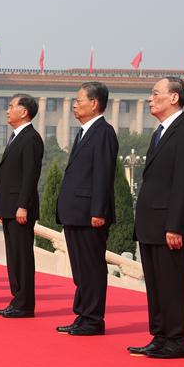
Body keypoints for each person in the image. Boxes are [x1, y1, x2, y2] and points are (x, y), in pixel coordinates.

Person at [129, 77, 184, 359]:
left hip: (171, 226)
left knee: (173, 283)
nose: (150, 98)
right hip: (151, 223)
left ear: (174, 98)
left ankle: (179, 340)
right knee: (157, 283)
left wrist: (175, 225)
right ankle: (160, 336)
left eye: (155, 93)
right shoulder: (159, 132)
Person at [55, 82, 118, 335]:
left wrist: (98, 211)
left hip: (90, 214)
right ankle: (82, 315)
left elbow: (103, 175)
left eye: (79, 100)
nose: (74, 105)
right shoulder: (83, 132)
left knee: (91, 267)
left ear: (94, 103)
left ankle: (93, 319)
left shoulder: (103, 132)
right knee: (81, 268)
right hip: (75, 212)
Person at [0, 93, 44, 318]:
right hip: (10, 206)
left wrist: (22, 205)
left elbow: (30, 176)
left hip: (20, 208)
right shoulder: (16, 137)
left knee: (22, 256)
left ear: (24, 112)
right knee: (13, 256)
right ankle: (16, 299)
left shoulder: (31, 138)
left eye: (11, 106)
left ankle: (24, 304)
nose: (7, 110)